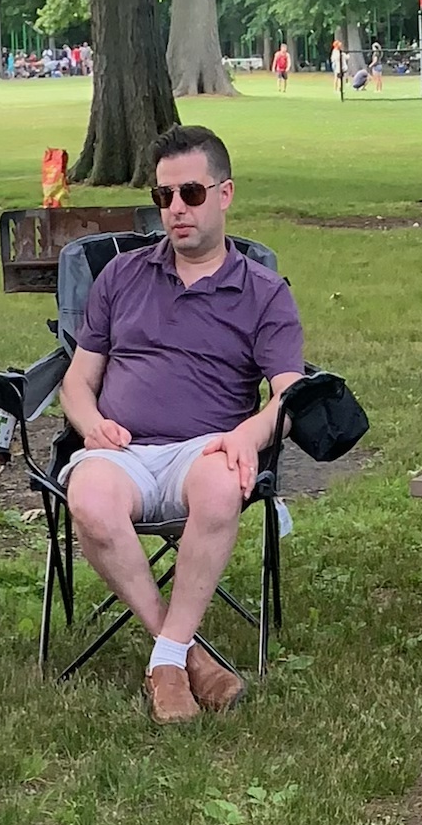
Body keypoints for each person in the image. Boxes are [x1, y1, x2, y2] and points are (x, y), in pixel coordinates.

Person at [61, 122, 303, 724]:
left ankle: (165, 659)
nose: (175, 209)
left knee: (224, 485)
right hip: (120, 449)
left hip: (204, 450)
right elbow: (75, 381)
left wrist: (250, 432)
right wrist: (90, 423)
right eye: (163, 197)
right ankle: (182, 657)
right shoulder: (121, 275)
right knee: (87, 499)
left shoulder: (264, 292)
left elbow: (291, 395)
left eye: (190, 194)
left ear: (224, 194)